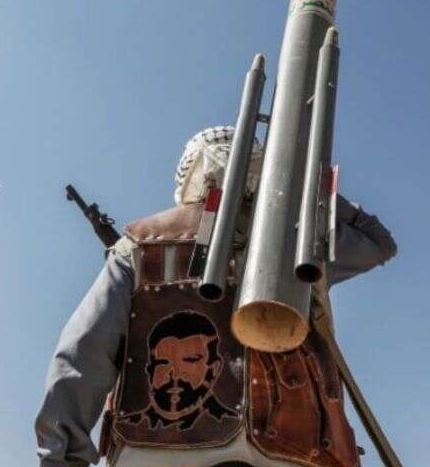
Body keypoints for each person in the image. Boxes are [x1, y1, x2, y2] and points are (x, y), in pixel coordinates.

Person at [36, 127, 397, 467]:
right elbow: (379, 243)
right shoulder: (300, 245)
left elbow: (82, 355)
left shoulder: (138, 245)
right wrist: (306, 189)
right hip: (296, 454)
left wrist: (60, 459)